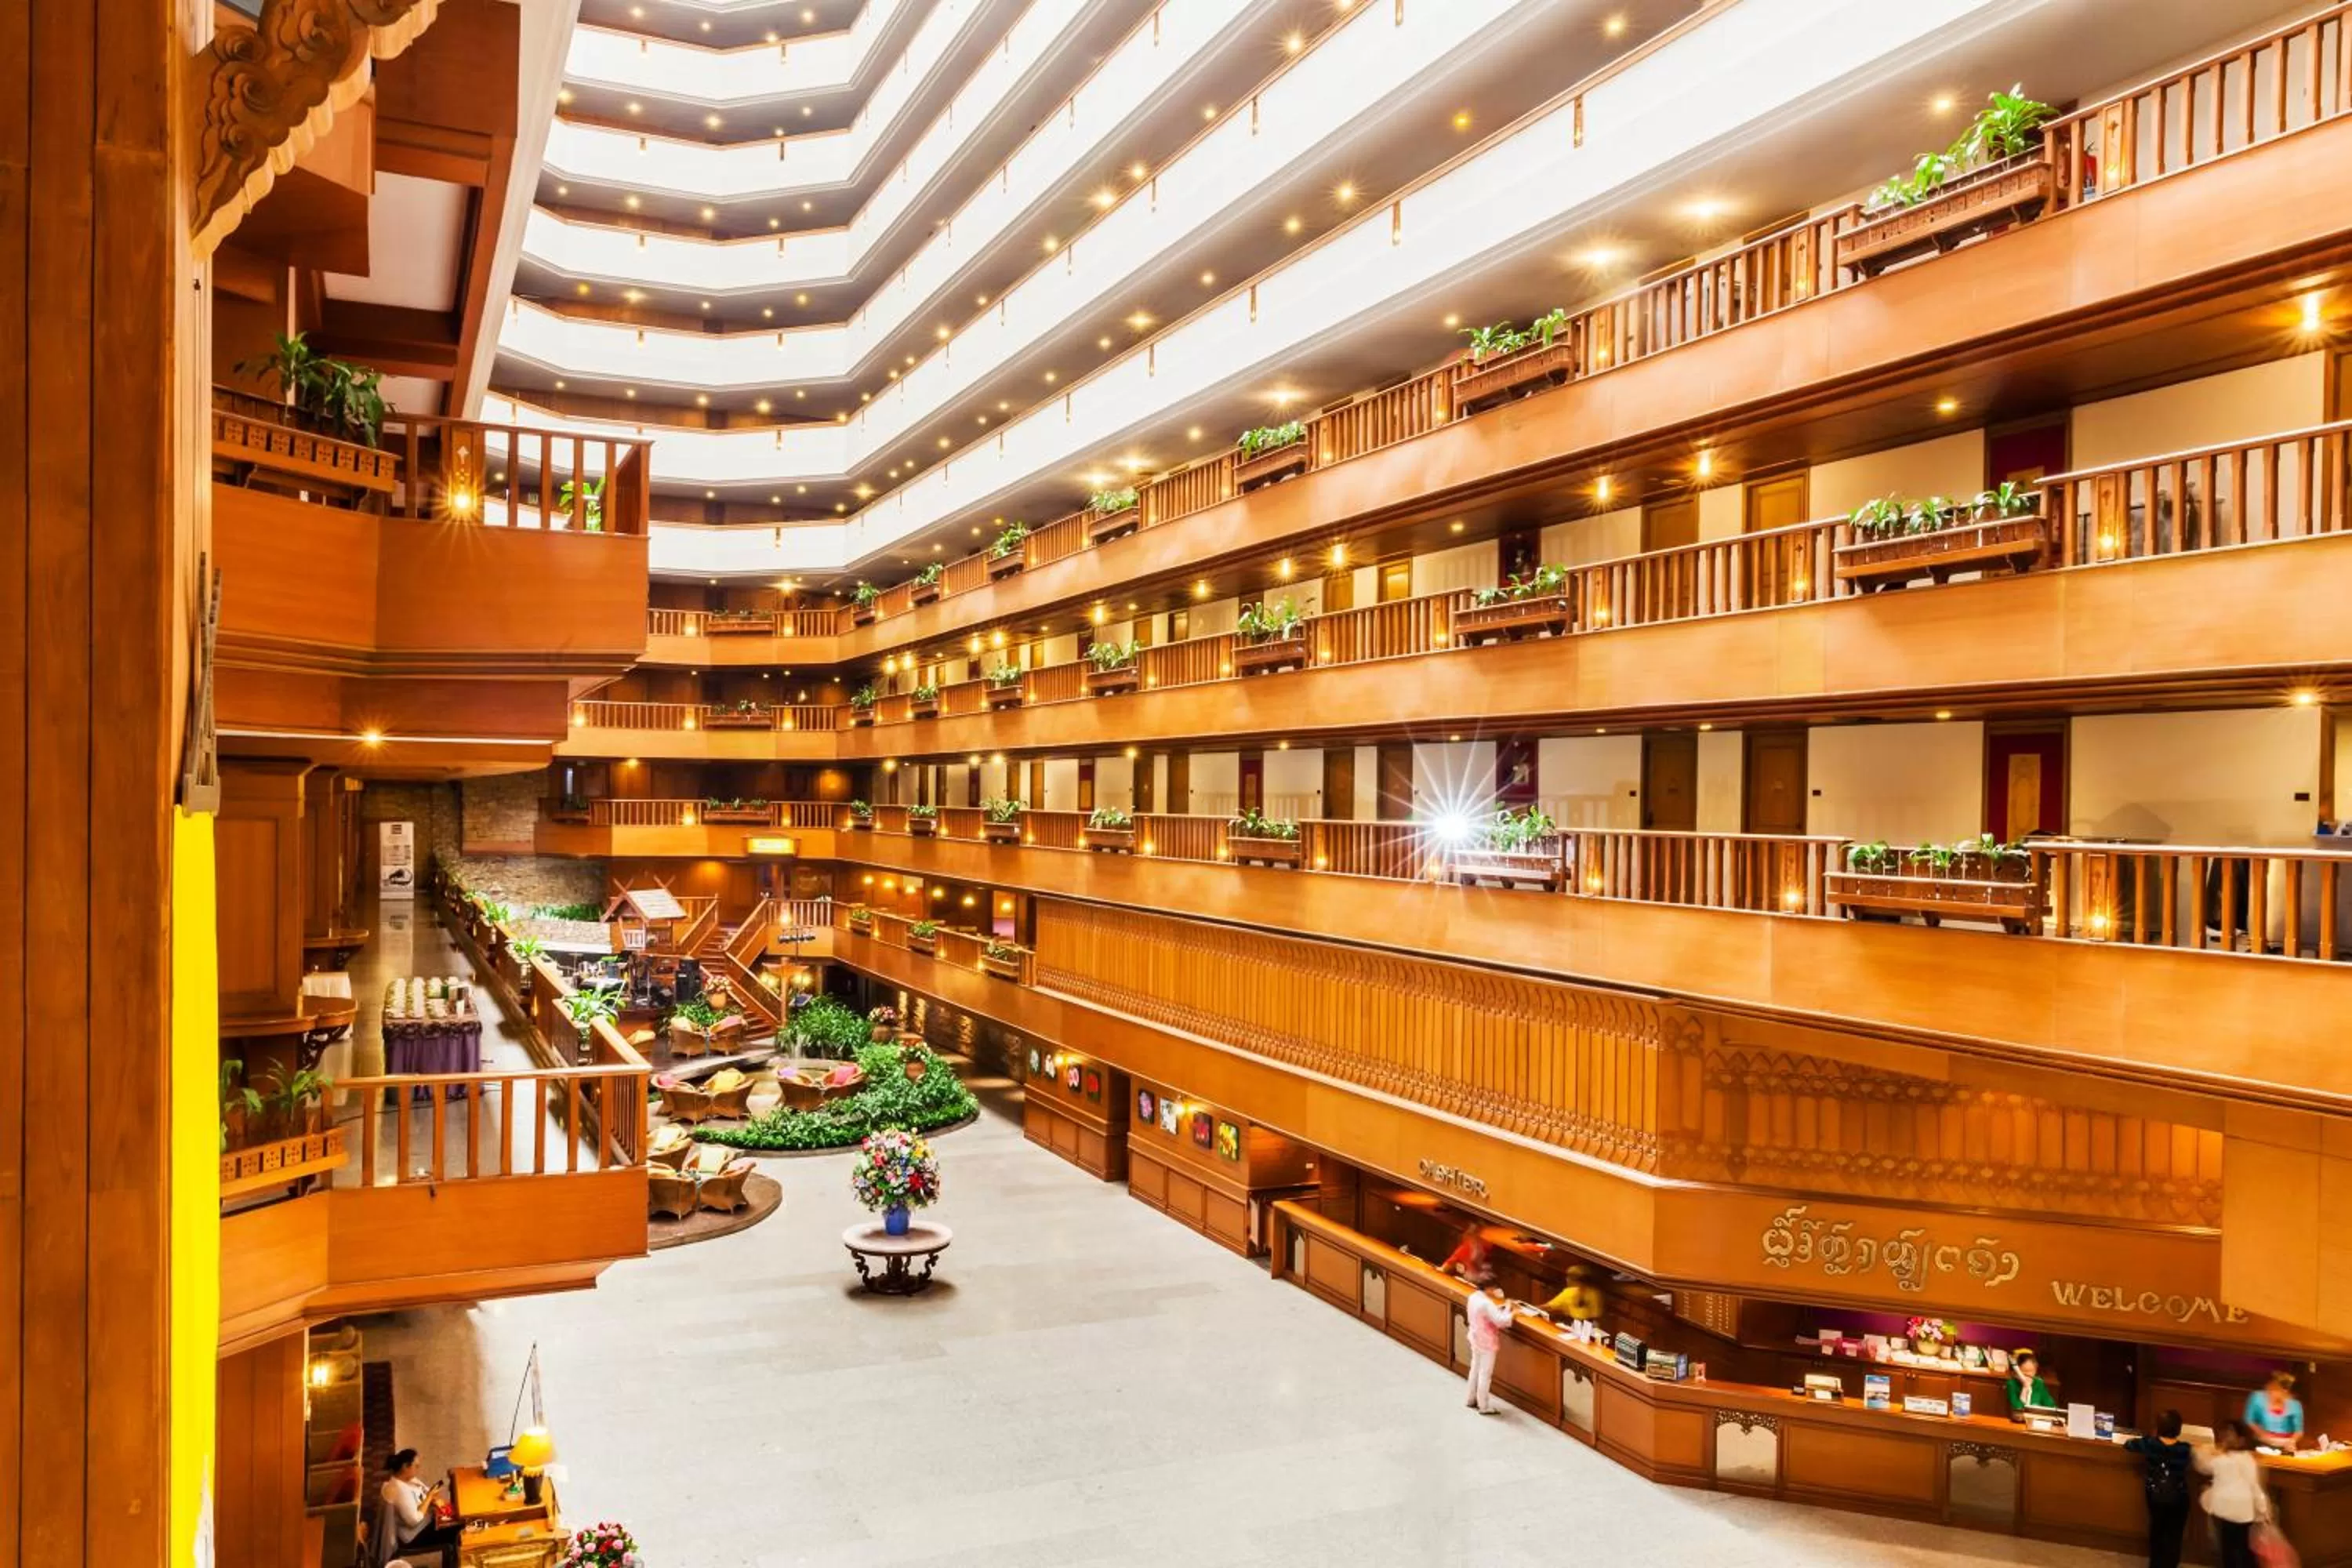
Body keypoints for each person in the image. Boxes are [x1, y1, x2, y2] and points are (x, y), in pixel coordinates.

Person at [2125, 1410, 2195, 1568]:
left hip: (2156, 1496)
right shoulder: (2185, 1449)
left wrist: (2150, 1436)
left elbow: (2128, 1445)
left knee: (2157, 1532)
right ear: (2179, 1429)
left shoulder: (2150, 1444)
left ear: (2158, 1427)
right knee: (2175, 1535)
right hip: (2179, 1497)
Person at [2197, 1419, 2271, 1568]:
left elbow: (2202, 1464)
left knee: (2229, 1551)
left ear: (2241, 1440)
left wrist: (2205, 1448)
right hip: (2243, 1513)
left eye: (2230, 1434)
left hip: (2225, 1511)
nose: (2226, 1437)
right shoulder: (2249, 1460)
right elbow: (2255, 1488)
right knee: (2244, 1550)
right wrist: (2264, 1512)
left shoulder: (2221, 1459)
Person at [372, 1449, 456, 1567]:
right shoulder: (399, 1491)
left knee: (457, 1520)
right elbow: (413, 1520)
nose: (418, 1469)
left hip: (427, 1521)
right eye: (416, 1466)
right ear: (406, 1467)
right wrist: (429, 1498)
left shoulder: (409, 1480)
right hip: (414, 1536)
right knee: (456, 1531)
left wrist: (433, 1499)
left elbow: (425, 1491)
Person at [1464, 1283, 1513, 1415]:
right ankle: (1483, 1406)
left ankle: (1471, 1398)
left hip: (1475, 1338)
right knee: (1485, 1374)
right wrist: (1510, 1309)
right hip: (1487, 1342)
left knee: (1475, 1369)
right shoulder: (1486, 1303)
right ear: (1488, 1288)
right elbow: (1501, 1321)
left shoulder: (1473, 1297)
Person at [2245, 1371, 2306, 1452]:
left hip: (2285, 1445)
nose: (2277, 1393)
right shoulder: (2257, 1397)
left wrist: (2292, 1441)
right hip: (2261, 1444)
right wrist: (2261, 1433)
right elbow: (2249, 1419)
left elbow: (2299, 1430)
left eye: (2283, 1391)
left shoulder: (2295, 1405)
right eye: (2274, 1389)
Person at [2005, 1348, 2056, 1414]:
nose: (2028, 1376)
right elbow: (2018, 1409)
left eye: (2031, 1371)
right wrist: (2025, 1388)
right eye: (2025, 1372)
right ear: (2017, 1372)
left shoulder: (2039, 1383)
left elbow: (2051, 1406)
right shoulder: (2011, 1384)